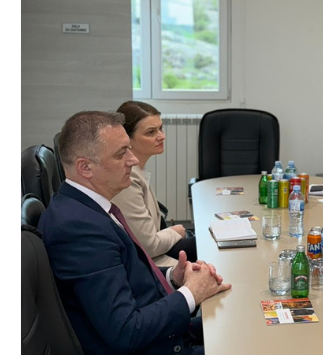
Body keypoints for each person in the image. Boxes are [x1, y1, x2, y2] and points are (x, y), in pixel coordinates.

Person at [38, 111, 231, 355]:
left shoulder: (87, 208)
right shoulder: (78, 229)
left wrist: (173, 277)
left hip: (162, 333)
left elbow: (125, 275)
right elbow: (126, 331)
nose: (132, 160)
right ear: (85, 167)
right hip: (154, 346)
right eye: (121, 154)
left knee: (240, 322)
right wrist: (191, 293)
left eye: (129, 149)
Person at [112, 100, 196, 267]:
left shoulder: (137, 170)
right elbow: (149, 246)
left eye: (160, 128)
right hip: (150, 263)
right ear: (126, 139)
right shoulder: (126, 179)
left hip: (158, 250)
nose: (162, 136)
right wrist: (174, 232)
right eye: (151, 132)